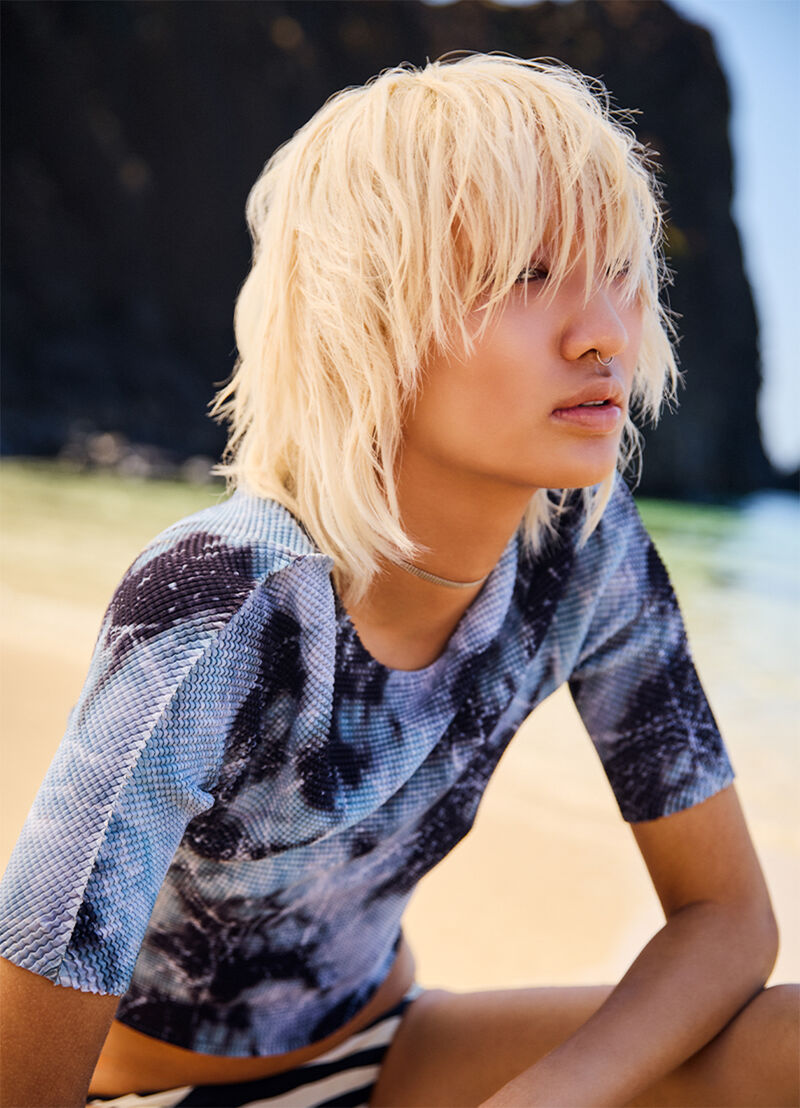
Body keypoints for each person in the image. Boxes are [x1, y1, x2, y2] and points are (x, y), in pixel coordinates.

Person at [0, 52, 797, 1108]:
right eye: (527, 273)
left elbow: (727, 918)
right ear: (369, 319)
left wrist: (542, 1099)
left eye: (615, 268)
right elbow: (36, 990)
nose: (603, 329)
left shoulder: (580, 553)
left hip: (392, 1054)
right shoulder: (222, 599)